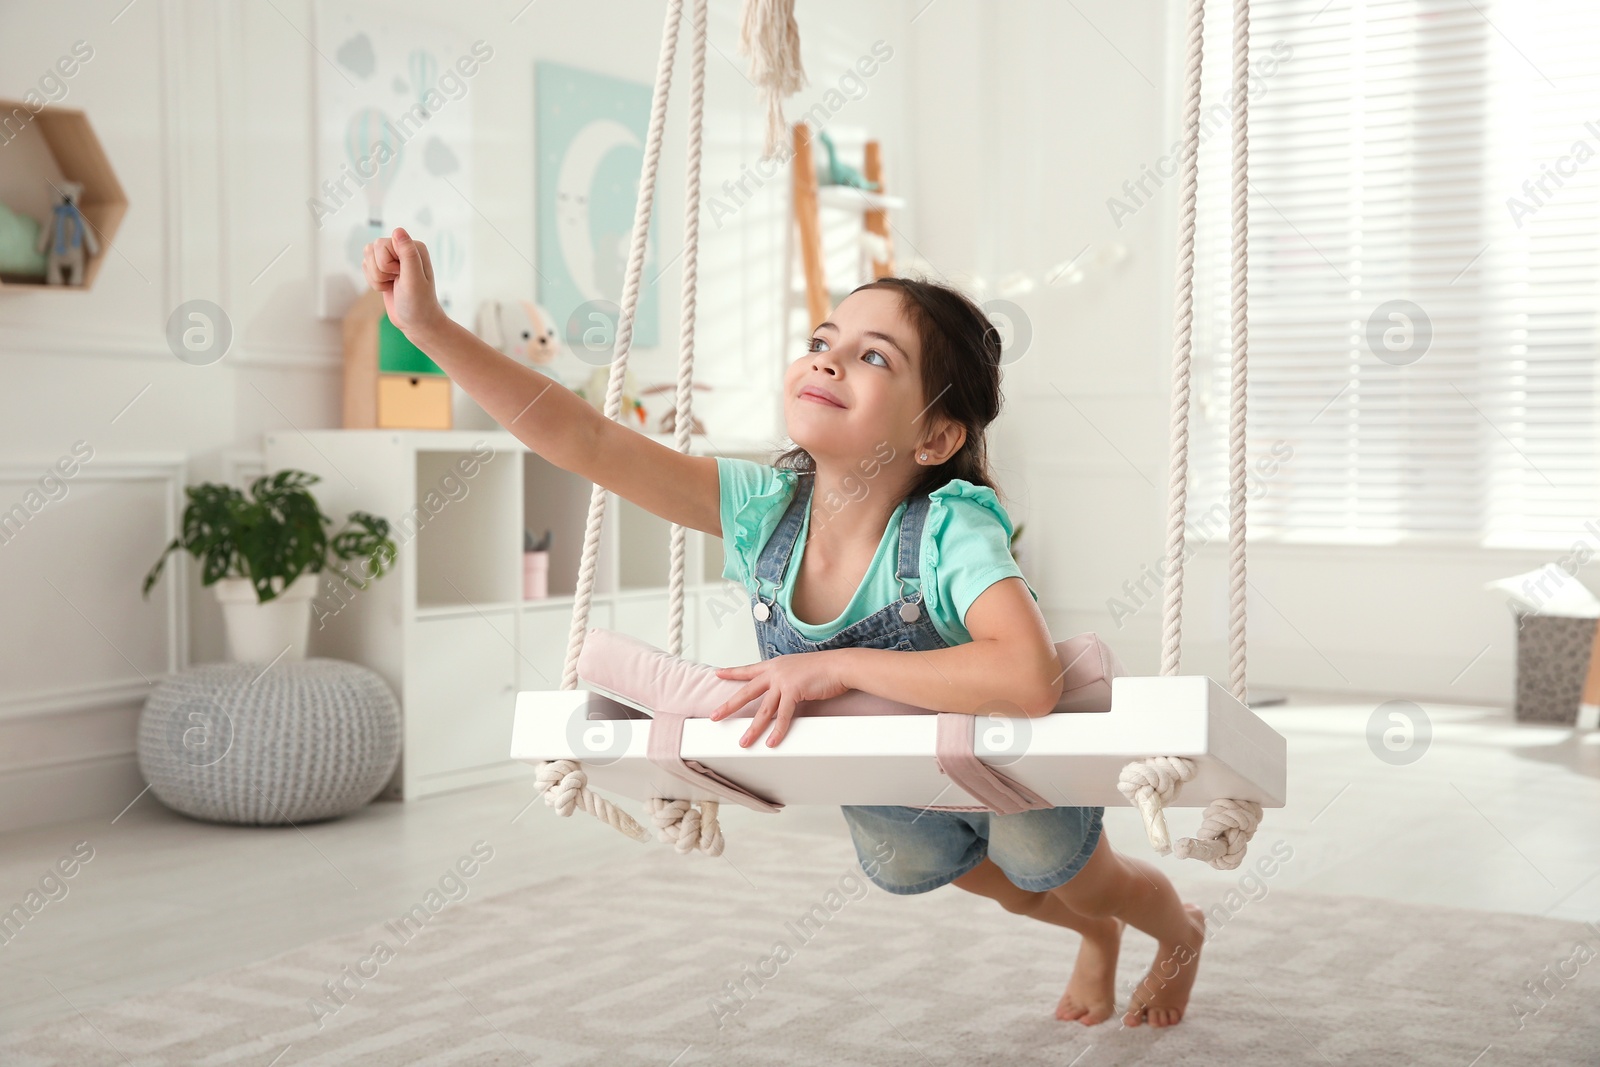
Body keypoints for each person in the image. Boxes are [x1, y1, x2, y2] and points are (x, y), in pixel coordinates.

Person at [362, 227, 1205, 1028]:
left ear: (937, 434)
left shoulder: (952, 527)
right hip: (897, 784)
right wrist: (429, 328)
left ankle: (1174, 932)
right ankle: (1091, 937)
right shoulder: (763, 511)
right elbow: (581, 436)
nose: (829, 358)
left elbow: (1026, 678)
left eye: (874, 357)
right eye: (824, 339)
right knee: (993, 887)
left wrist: (836, 665)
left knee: (1069, 875)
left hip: (1005, 761)